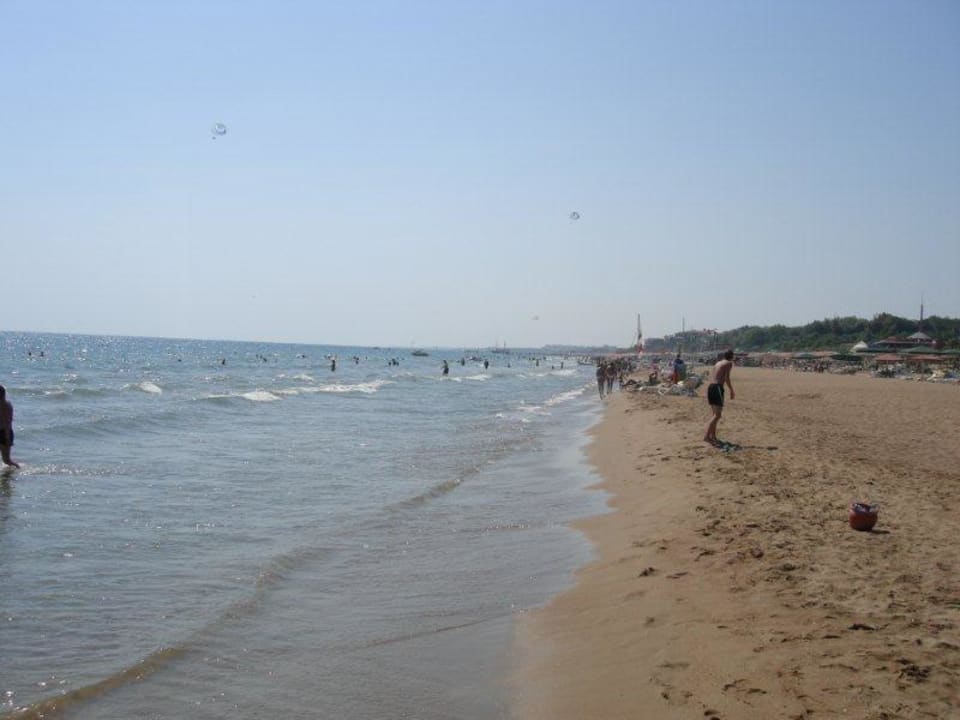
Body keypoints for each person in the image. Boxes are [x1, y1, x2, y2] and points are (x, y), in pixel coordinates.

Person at [704, 350, 735, 445]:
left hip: (711, 387)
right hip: (717, 387)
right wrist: (731, 390)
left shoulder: (718, 362)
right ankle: (706, 436)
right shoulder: (729, 363)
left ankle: (713, 436)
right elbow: (727, 378)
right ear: (732, 356)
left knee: (714, 414)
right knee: (717, 415)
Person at [0, 385, 20, 468]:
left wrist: (7, 438)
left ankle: (18, 468)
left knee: (6, 460)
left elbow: (8, 423)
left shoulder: (6, 406)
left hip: (4, 434)